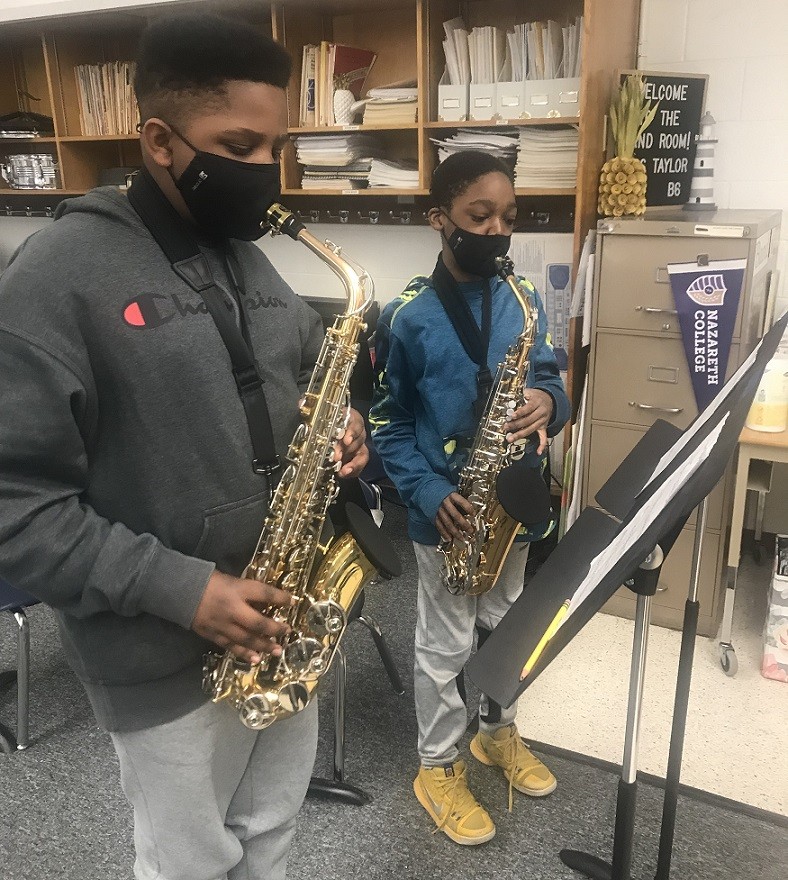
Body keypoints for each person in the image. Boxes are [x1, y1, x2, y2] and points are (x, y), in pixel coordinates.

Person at [0, 14, 369, 880]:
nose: (261, 173)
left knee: (271, 838)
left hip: (282, 623)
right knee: (188, 864)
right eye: (237, 144)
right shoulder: (55, 274)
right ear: (159, 140)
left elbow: (297, 364)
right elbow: (15, 506)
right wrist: (185, 590)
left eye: (273, 146)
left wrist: (338, 419)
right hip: (160, 651)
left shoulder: (250, 254)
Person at [370, 150, 570, 845]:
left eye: (507, 218)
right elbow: (386, 421)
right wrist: (425, 490)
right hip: (448, 510)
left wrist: (549, 397)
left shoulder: (523, 299)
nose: (496, 231)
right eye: (478, 217)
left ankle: (497, 732)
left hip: (511, 500)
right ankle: (436, 766)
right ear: (439, 220)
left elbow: (549, 373)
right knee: (445, 645)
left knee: (510, 624)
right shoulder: (408, 316)